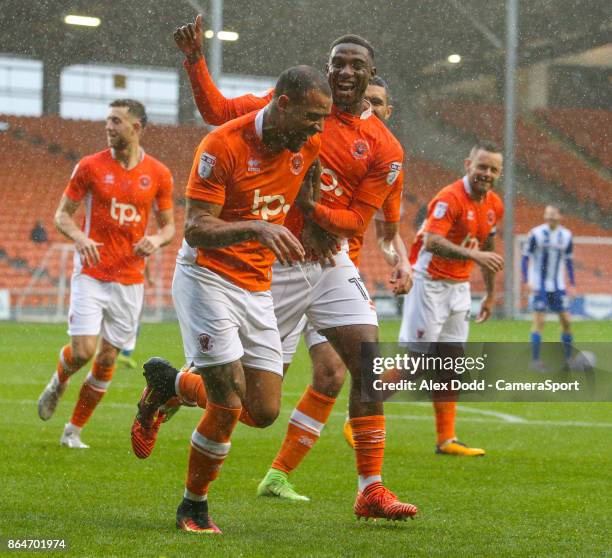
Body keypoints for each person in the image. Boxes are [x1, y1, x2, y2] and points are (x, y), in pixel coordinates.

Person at [132, 17, 419, 524]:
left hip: (329, 262)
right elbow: (218, 113)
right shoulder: (294, 107)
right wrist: (196, 59)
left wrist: (313, 213)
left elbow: (357, 220)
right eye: (338, 63)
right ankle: (177, 385)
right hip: (270, 265)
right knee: (253, 406)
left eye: (357, 65)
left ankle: (370, 488)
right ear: (326, 72)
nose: (346, 72)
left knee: (364, 365)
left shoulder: (384, 147)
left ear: (373, 74)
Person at [134, 65, 331, 533]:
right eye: (312, 116)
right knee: (226, 401)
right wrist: (258, 227)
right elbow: (196, 228)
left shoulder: (307, 144)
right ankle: (193, 507)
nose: (319, 127)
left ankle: (174, 385)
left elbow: (309, 179)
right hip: (207, 277)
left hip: (256, 283)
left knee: (261, 411)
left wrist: (315, 219)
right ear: (283, 105)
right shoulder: (222, 145)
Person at [36, 99, 175, 449]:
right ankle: (58, 381)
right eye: (107, 120)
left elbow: (169, 226)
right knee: (83, 351)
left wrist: (156, 239)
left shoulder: (158, 174)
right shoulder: (89, 166)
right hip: (92, 273)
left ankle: (73, 430)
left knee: (109, 357)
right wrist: (81, 238)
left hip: (130, 279)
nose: (109, 127)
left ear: (136, 127)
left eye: (116, 121)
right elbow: (62, 215)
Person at [388, 141, 505, 456]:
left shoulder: (494, 204)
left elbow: (489, 253)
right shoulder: (449, 198)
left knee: (451, 365)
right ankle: (359, 409)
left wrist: (491, 295)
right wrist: (473, 254)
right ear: (468, 164)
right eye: (482, 166)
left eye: (494, 169)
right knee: (416, 363)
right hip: (429, 283)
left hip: (459, 286)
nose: (487, 173)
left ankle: (446, 440)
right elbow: (432, 242)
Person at [521, 205, 575, 370]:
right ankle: (535, 361)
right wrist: (526, 281)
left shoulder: (566, 236)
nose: (550, 217)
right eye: (548, 214)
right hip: (539, 285)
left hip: (557, 286)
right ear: (544, 216)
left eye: (553, 214)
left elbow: (569, 261)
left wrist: (572, 284)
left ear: (560, 216)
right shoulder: (536, 234)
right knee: (539, 321)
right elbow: (525, 258)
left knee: (566, 321)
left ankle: (568, 360)